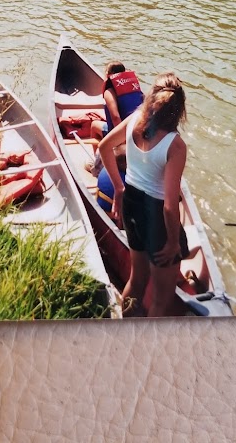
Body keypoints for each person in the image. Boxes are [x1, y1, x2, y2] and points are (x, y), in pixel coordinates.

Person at [99, 71, 189, 318]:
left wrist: (118, 188)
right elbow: (170, 206)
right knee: (162, 299)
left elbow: (104, 147)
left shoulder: (134, 119)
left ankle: (126, 328)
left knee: (136, 280)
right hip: (156, 217)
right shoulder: (175, 145)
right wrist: (172, 243)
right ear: (179, 110)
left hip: (132, 203)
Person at [89, 62, 144, 211]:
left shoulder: (109, 91)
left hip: (122, 131)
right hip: (137, 130)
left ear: (108, 75)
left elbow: (115, 116)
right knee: (95, 125)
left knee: (94, 127)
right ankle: (97, 163)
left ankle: (96, 167)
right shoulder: (133, 88)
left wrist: (120, 139)